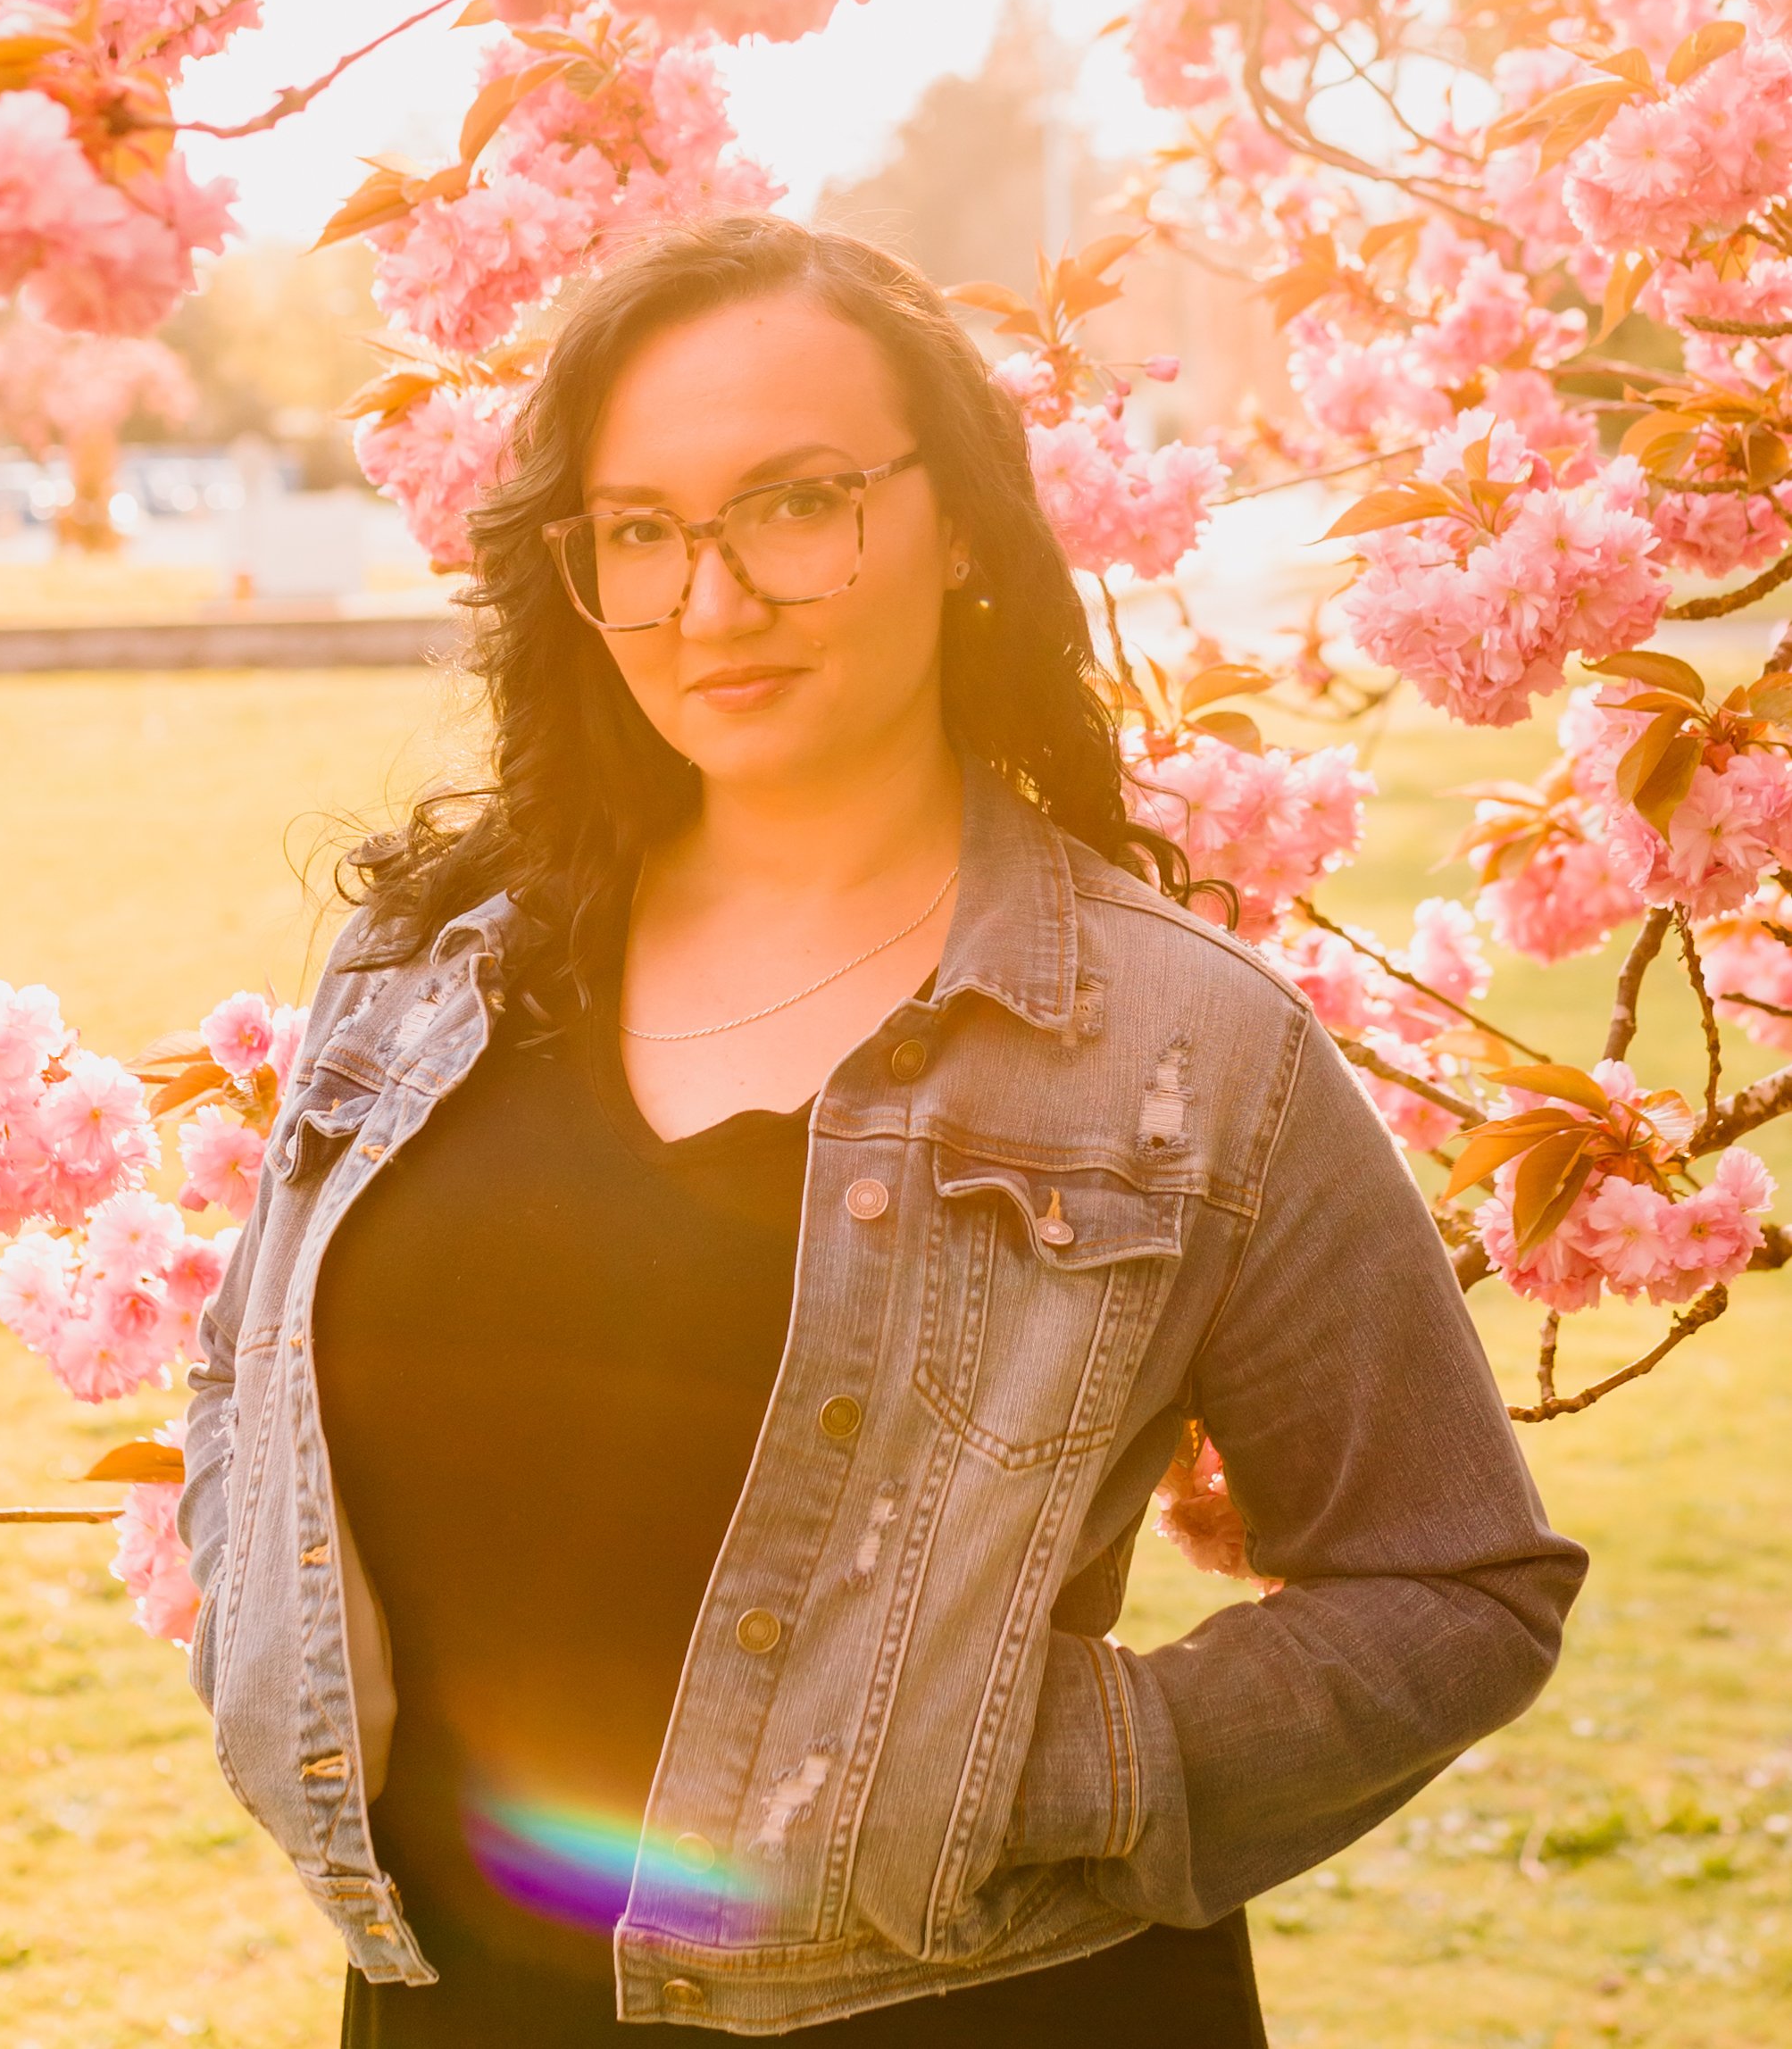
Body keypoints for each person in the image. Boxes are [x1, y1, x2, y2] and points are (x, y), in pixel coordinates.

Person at [176, 212, 1588, 2045]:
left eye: (795, 502)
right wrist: (263, 1654)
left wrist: (1049, 1760)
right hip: (457, 1998)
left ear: (955, 528)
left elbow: (1453, 1577)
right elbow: (236, 1377)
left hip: (975, 2003)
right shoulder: (422, 975)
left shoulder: (1179, 1047)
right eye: (642, 529)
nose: (709, 600)